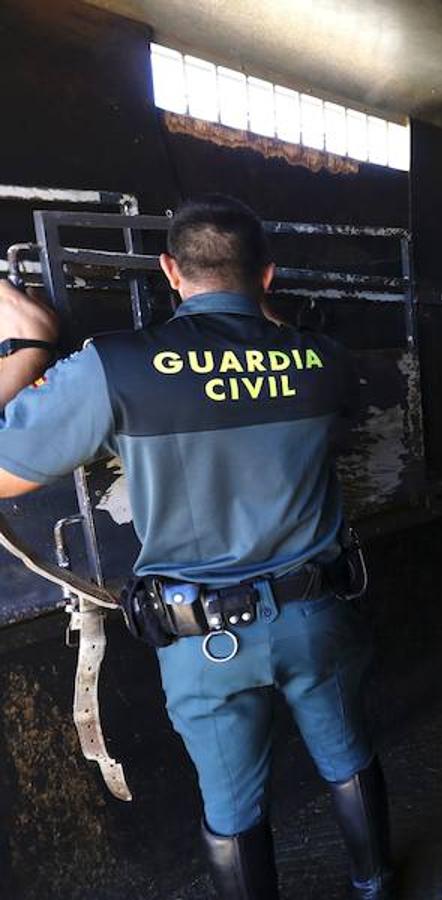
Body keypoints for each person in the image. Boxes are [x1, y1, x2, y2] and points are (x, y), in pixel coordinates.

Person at [0, 195, 393, 900]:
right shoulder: (324, 360)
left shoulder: (115, 367)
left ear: (168, 271)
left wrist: (28, 344)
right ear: (267, 276)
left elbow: (6, 475)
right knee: (348, 758)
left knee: (233, 806)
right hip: (317, 614)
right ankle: (375, 884)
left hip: (206, 639)